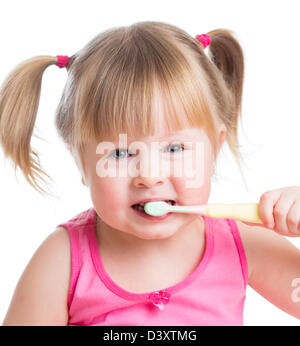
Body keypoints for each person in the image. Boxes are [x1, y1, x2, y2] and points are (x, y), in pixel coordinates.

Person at [0, 21, 299, 326]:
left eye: (174, 149)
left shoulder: (242, 243)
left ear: (214, 150)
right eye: (119, 153)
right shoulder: (61, 262)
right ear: (81, 163)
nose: (149, 175)